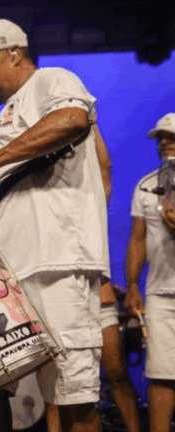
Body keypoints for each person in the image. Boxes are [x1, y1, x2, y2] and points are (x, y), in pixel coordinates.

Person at [0, 18, 109, 432]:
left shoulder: (51, 80)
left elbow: (73, 119)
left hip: (54, 263)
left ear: (14, 52)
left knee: (72, 394)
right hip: (10, 277)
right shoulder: (5, 118)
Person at [46, 125, 141, 432]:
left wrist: (92, 122)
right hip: (57, 298)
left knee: (115, 369)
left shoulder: (89, 202)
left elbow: (104, 167)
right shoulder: (39, 209)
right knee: (57, 386)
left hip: (96, 295)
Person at [124, 113, 175, 432]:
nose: (165, 142)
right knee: (161, 373)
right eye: (161, 138)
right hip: (160, 294)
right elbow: (138, 239)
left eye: (171, 136)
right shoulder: (145, 187)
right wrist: (131, 285)